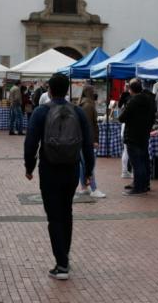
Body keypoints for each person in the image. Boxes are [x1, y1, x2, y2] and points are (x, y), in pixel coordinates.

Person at [24, 73, 94, 280]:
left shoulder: (40, 112)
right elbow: (87, 145)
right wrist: (88, 171)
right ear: (67, 91)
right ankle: (65, 256)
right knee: (67, 212)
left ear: (50, 91)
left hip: (49, 168)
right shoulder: (78, 112)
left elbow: (30, 143)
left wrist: (29, 166)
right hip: (72, 168)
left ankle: (61, 264)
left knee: (54, 215)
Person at [118, 79, 156, 196]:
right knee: (144, 160)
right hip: (144, 134)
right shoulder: (150, 99)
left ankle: (139, 188)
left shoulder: (133, 100)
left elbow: (122, 117)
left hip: (133, 135)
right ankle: (144, 184)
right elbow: (153, 116)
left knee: (137, 162)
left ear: (131, 90)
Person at [76, 85, 106, 198]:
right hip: (87, 140)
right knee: (90, 164)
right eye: (94, 91)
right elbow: (89, 125)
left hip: (81, 140)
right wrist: (94, 140)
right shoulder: (88, 106)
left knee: (84, 165)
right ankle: (94, 188)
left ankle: (84, 187)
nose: (95, 93)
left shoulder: (82, 104)